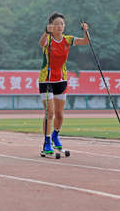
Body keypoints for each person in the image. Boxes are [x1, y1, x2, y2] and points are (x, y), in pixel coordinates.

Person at [38, 12, 89, 154]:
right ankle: (47, 142)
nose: (59, 26)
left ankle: (55, 134)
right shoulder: (48, 39)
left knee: (59, 114)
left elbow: (86, 42)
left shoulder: (68, 40)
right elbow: (41, 43)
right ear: (51, 26)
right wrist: (45, 32)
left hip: (61, 80)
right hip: (46, 80)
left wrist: (86, 31)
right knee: (50, 113)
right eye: (56, 24)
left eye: (61, 24)